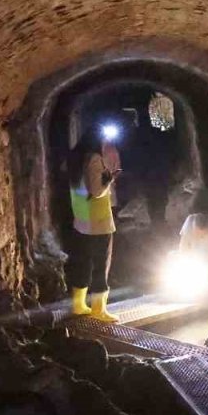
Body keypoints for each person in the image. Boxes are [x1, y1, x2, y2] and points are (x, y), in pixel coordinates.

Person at [65, 129, 120, 322]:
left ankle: (78, 305)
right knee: (100, 265)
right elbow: (96, 191)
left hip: (81, 219)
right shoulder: (94, 159)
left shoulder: (75, 158)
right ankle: (99, 309)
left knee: (82, 262)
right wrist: (109, 180)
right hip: (98, 223)